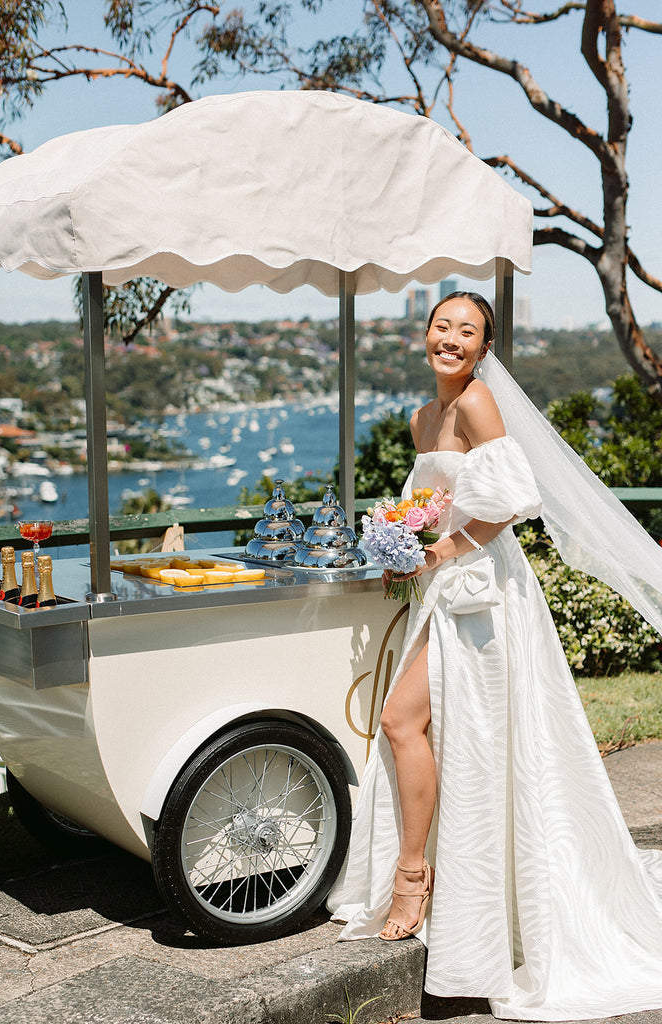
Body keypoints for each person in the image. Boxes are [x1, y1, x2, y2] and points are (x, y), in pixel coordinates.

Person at [327, 291, 662, 1021]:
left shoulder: (477, 403)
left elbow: (511, 499)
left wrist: (441, 548)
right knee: (431, 731)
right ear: (426, 335)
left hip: (484, 598)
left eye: (466, 331)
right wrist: (403, 550)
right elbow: (433, 504)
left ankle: (416, 877)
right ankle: (431, 875)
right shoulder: (423, 418)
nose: (450, 339)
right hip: (440, 595)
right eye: (441, 326)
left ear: (484, 348)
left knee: (403, 722)